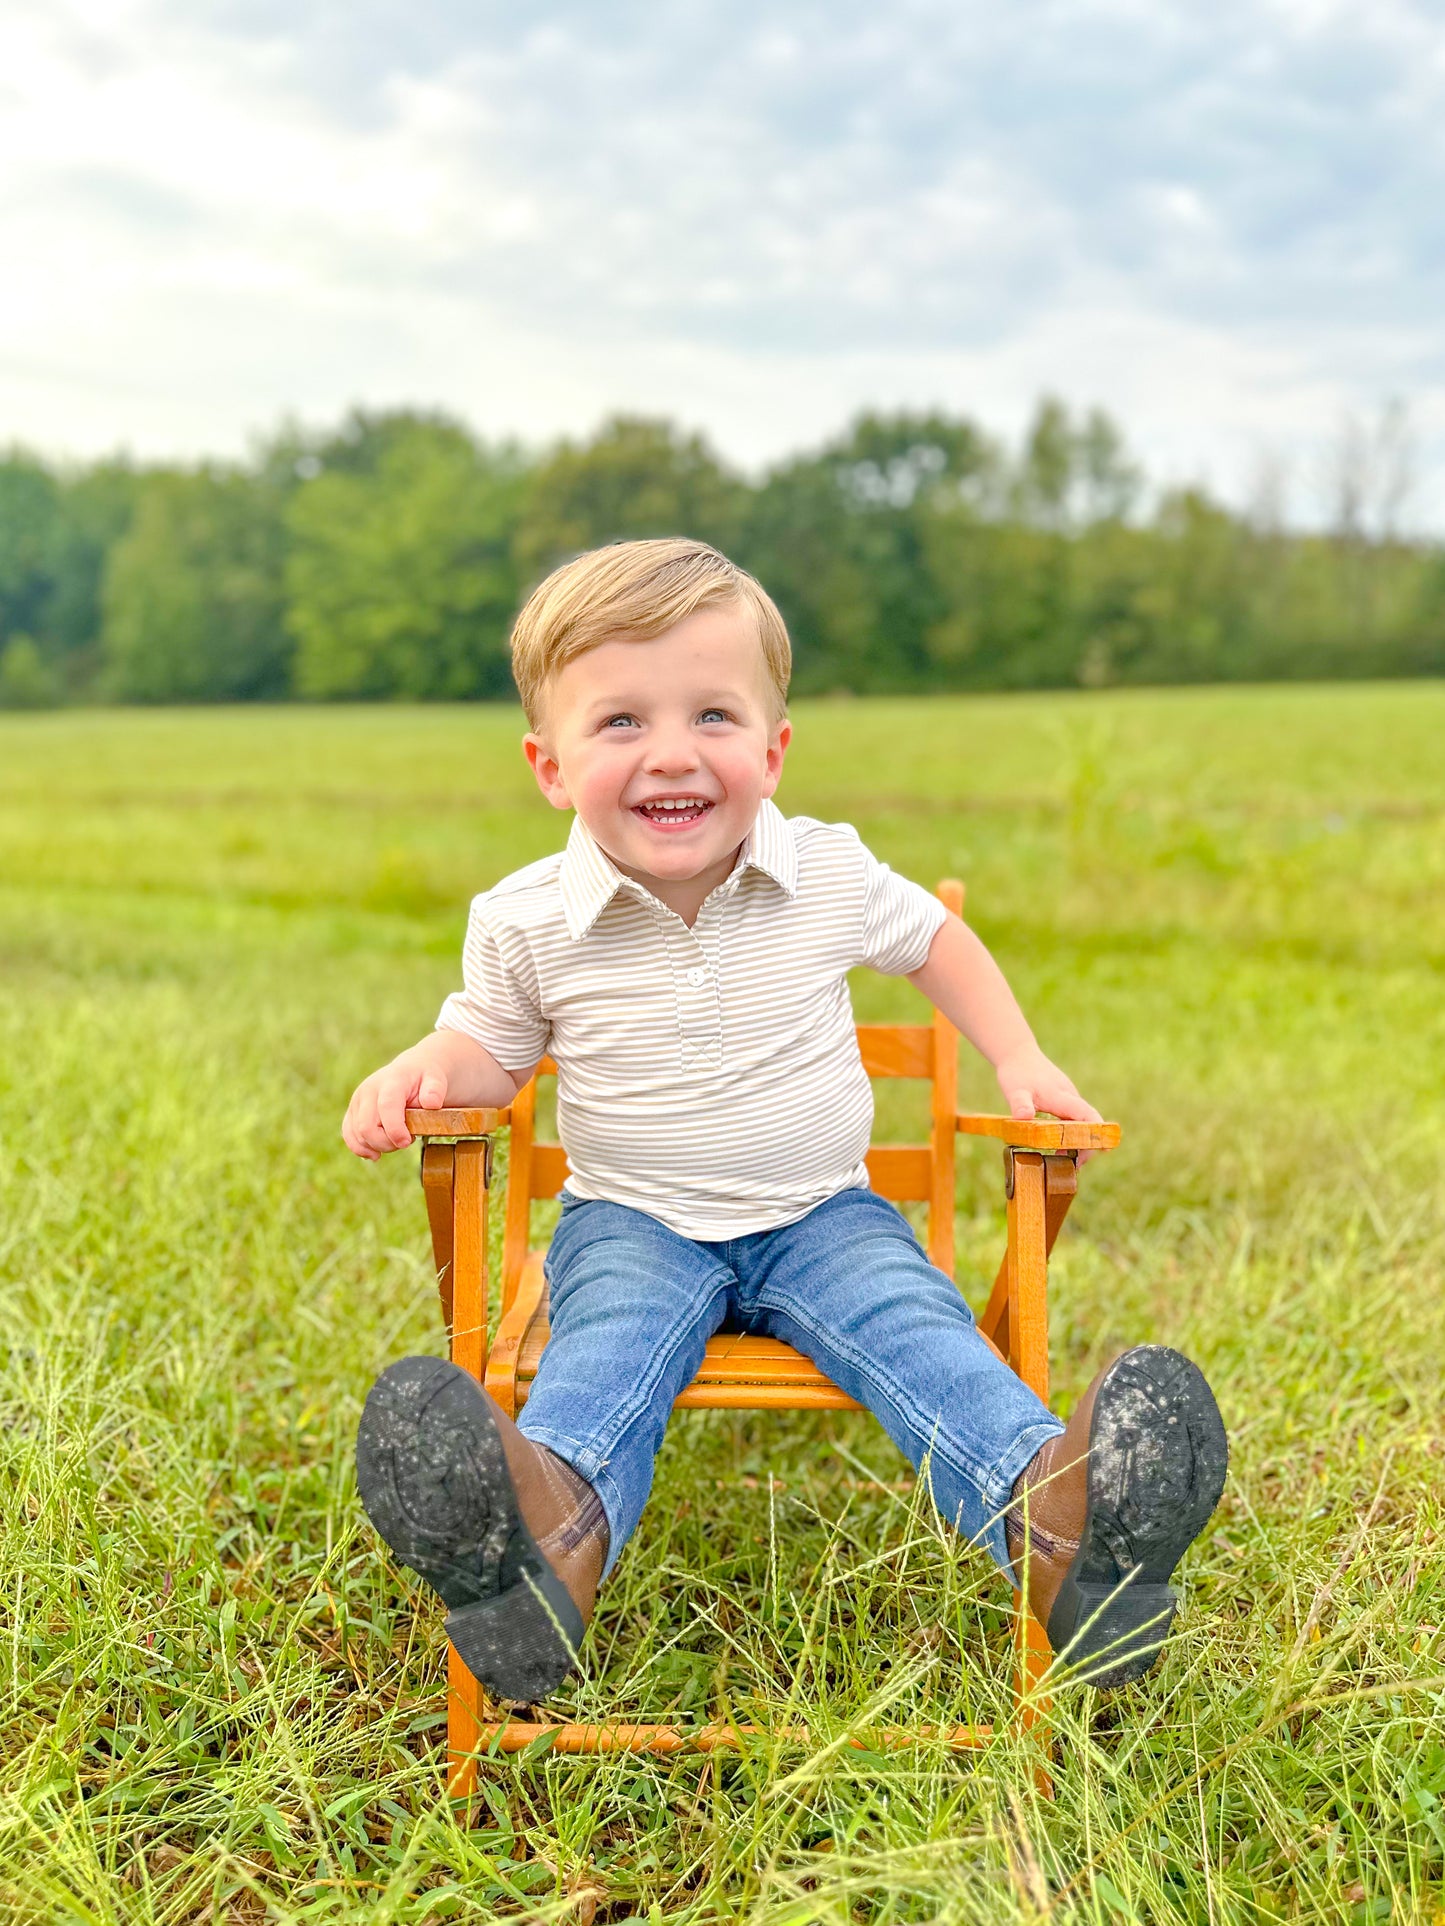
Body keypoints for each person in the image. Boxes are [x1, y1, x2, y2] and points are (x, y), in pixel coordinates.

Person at [344, 538, 1227, 1705]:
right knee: (600, 1365)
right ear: (547, 765)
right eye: (618, 723)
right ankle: (537, 1553)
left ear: (771, 748)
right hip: (630, 1225)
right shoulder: (524, 921)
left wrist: (1018, 1057)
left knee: (928, 1345)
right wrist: (422, 1064)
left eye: (712, 714)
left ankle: (1065, 1536)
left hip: (825, 1217)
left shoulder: (827, 871)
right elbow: (490, 1045)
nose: (671, 753)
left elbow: (935, 944)